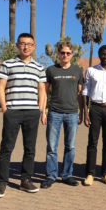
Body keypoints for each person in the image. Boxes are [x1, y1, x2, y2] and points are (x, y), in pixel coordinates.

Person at [0, 33, 46, 198]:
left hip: (32, 113)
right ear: (17, 45)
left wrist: (41, 110)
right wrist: (4, 109)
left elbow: (42, 90)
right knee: (6, 148)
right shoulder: (7, 64)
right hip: (13, 112)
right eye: (22, 44)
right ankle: (1, 183)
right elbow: (1, 87)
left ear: (34, 46)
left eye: (29, 44)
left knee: (30, 149)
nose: (26, 47)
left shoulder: (39, 67)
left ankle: (25, 180)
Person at [40, 41, 84, 189]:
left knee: (70, 146)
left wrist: (81, 112)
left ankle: (67, 175)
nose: (65, 55)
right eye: (62, 53)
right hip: (54, 112)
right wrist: (43, 111)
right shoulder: (51, 70)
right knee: (52, 146)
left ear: (72, 55)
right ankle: (51, 175)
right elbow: (45, 92)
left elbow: (79, 94)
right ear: (58, 54)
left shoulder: (78, 71)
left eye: (68, 53)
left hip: (72, 113)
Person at [82, 45, 106, 186]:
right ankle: (90, 174)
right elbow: (85, 92)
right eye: (103, 54)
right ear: (99, 55)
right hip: (95, 109)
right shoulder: (91, 71)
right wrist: (86, 113)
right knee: (92, 142)